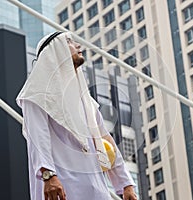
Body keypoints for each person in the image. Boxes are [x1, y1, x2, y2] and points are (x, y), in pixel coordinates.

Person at [16, 31, 137, 200]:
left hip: (97, 191)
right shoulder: (36, 95)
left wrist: (126, 184)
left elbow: (105, 140)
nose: (77, 45)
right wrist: (48, 176)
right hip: (60, 190)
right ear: (55, 52)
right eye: (69, 42)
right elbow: (38, 139)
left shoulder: (87, 101)